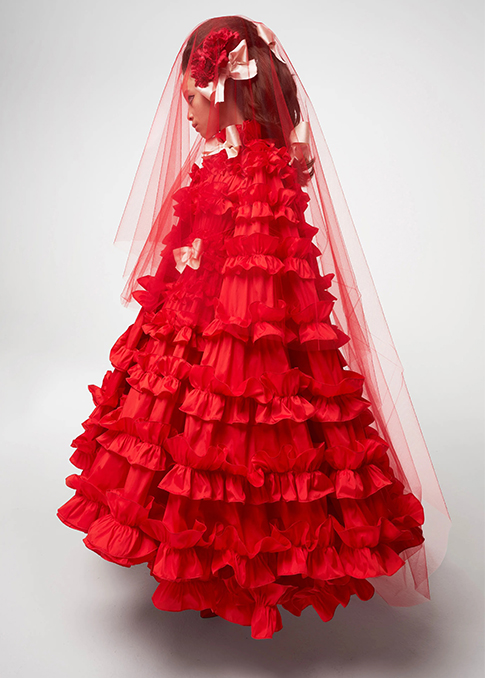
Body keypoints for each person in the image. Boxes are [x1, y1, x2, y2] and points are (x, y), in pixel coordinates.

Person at [57, 16, 451, 639]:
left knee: (238, 437)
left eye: (192, 96)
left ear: (222, 88)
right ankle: (205, 555)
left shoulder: (256, 169)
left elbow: (258, 281)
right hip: (205, 315)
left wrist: (205, 311)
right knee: (187, 425)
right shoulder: (230, 161)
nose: (186, 112)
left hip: (246, 335)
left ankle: (237, 565)